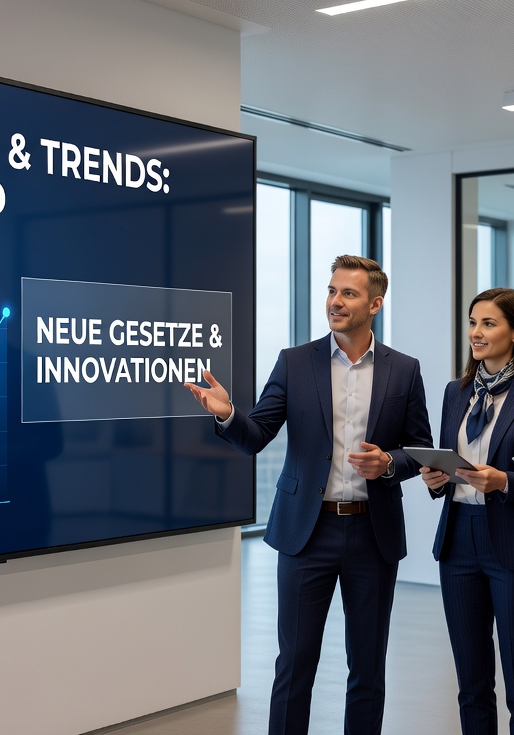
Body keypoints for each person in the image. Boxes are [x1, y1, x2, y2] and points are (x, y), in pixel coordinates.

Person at [184, 254, 432, 735]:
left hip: (373, 533)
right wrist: (228, 413)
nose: (335, 301)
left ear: (375, 304)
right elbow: (256, 436)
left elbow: (419, 448)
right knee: (295, 663)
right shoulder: (295, 362)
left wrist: (389, 463)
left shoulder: (404, 370)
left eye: (349, 293)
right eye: (332, 290)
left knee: (368, 667)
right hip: (306, 532)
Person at [420, 287, 514, 735]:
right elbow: (447, 459)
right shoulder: (456, 392)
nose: (476, 333)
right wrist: (436, 479)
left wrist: (505, 481)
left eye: (489, 323)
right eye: (473, 323)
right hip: (458, 542)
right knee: (471, 683)